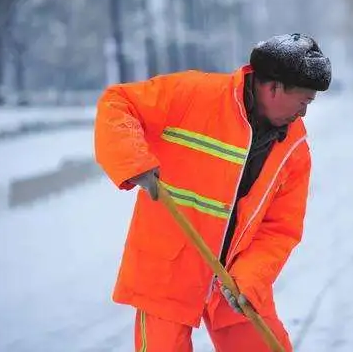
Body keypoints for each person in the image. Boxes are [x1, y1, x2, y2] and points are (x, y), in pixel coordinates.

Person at [93, 33, 332, 352]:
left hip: (234, 280)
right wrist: (134, 160)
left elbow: (280, 229)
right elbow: (119, 102)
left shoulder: (294, 147)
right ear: (274, 87)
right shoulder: (196, 94)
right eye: (304, 101)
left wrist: (249, 280)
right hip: (168, 269)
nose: (303, 114)